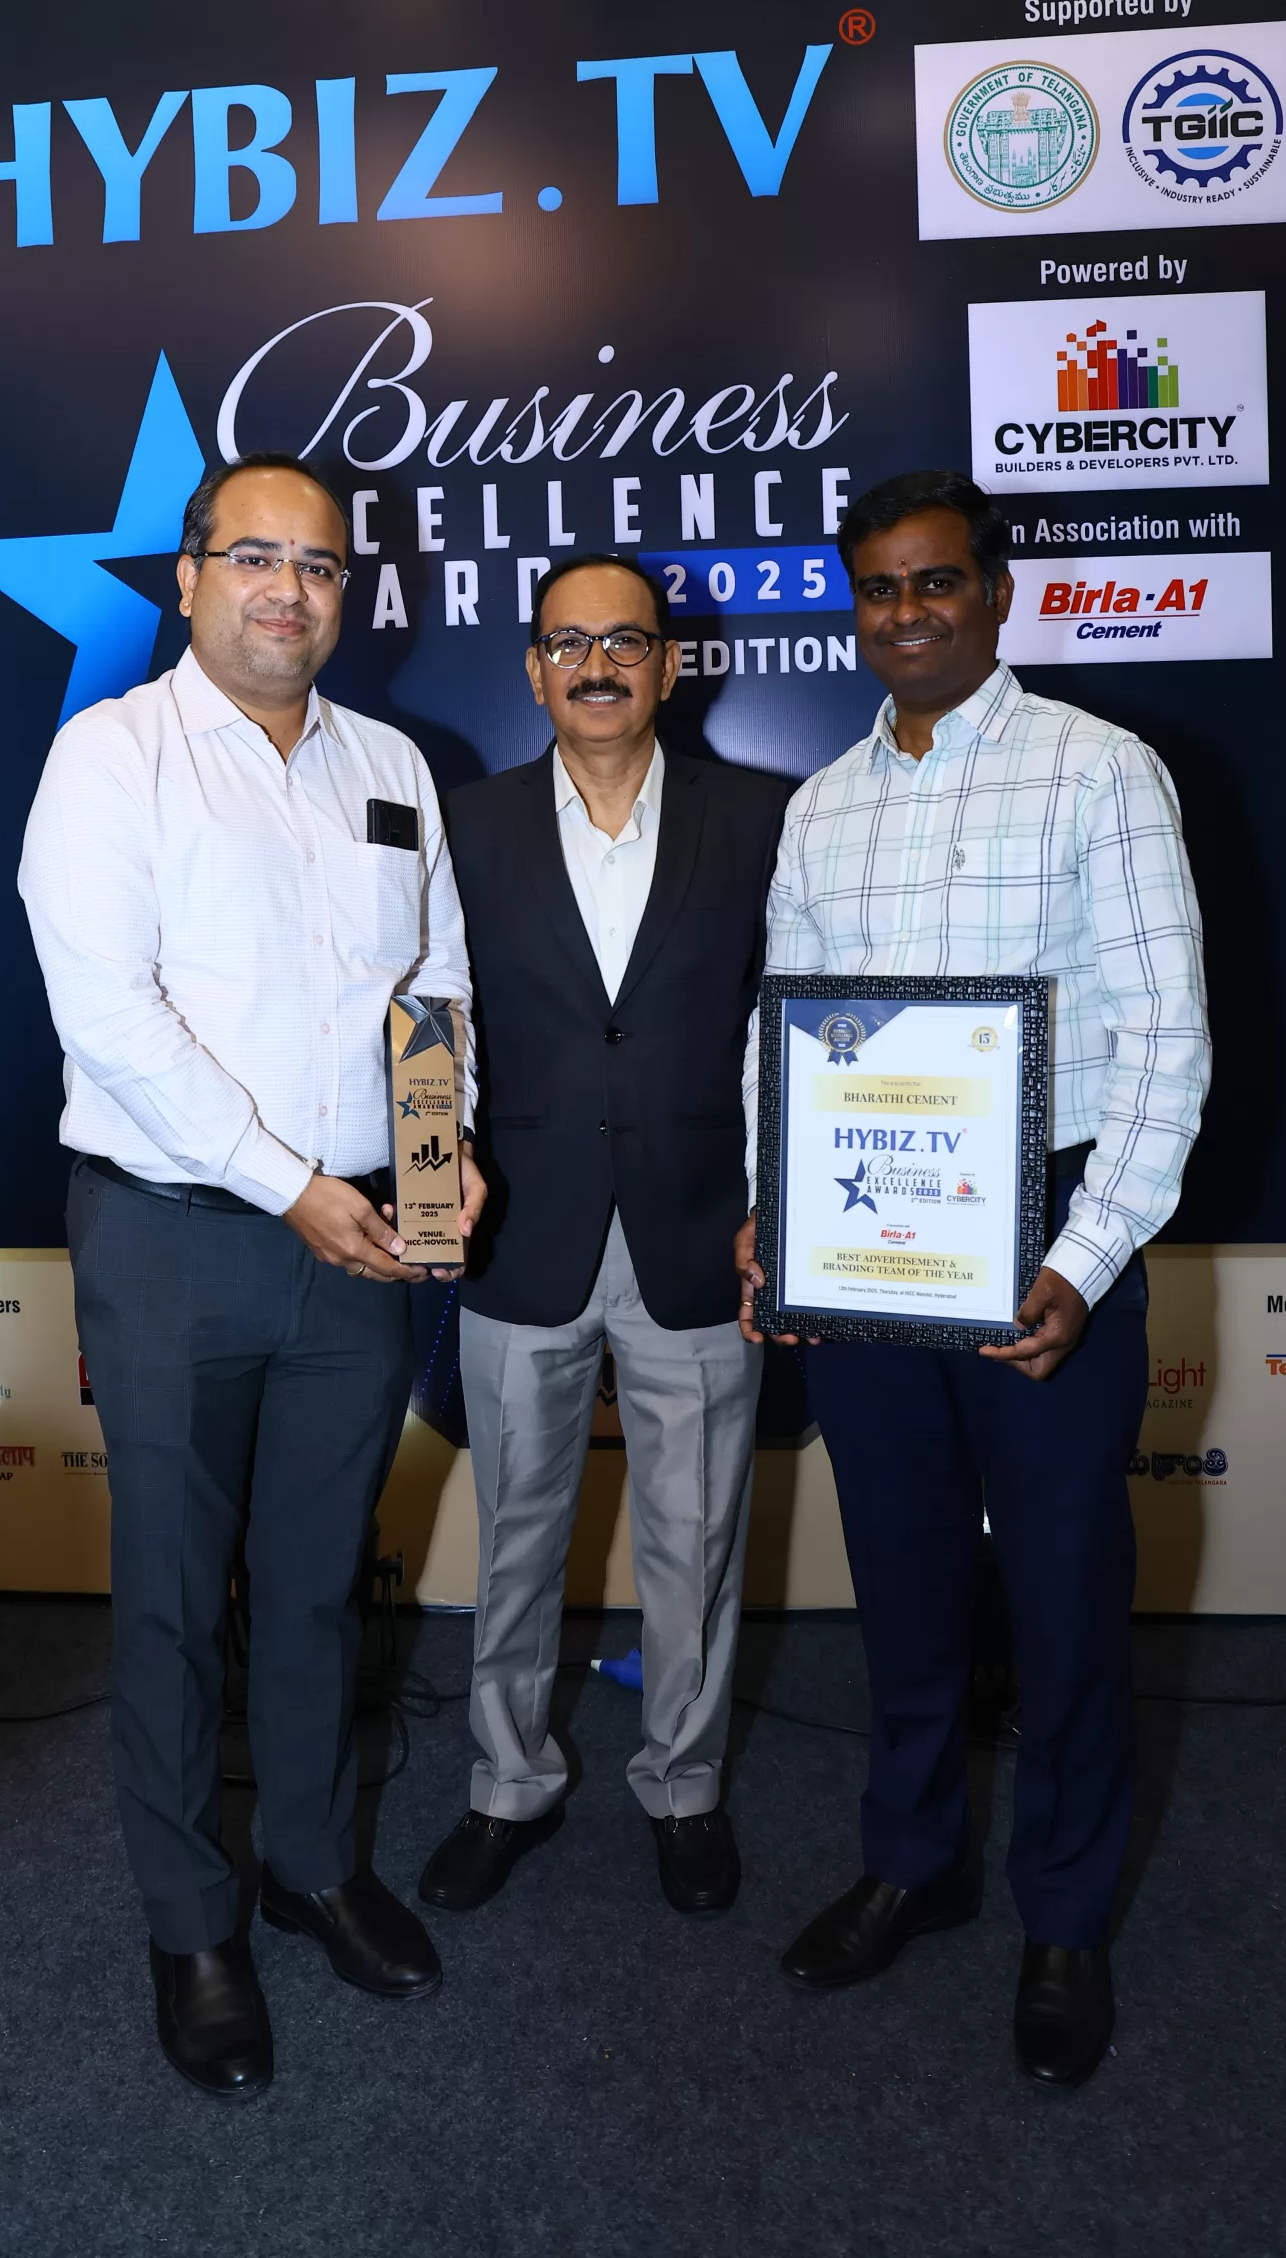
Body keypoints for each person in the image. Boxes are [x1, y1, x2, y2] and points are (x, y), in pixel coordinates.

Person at [19, 454, 484, 2100]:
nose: (290, 590)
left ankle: (310, 1865)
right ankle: (191, 1922)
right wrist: (291, 1189)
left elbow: (433, 979)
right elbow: (109, 1017)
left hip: (362, 1237)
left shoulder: (392, 766)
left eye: (321, 565)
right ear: (189, 577)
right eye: (255, 558)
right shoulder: (111, 756)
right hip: (176, 1236)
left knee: (313, 1582)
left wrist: (436, 1149)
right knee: (170, 1597)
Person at [737, 471, 1208, 2087]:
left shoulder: (1099, 769)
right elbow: (783, 1030)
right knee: (905, 1573)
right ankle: (914, 1861)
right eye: (877, 587)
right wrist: (775, 1208)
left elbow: (1163, 1039)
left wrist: (1084, 1254)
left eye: (935, 581)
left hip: (1041, 1234)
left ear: (995, 594)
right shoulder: (821, 806)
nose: (906, 613)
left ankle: (1062, 1916)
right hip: (870, 1234)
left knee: (1064, 1595)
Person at [418, 554, 788, 1919]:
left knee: (697, 1540)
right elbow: (429, 1008)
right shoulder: (463, 825)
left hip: (705, 1233)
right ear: (532, 670)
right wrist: (431, 1178)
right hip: (519, 1232)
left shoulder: (764, 818)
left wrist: (781, 1201)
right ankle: (505, 1783)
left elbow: (789, 1022)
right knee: (515, 1535)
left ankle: (683, 1786)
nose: (596, 666)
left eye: (624, 642)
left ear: (669, 664)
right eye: (567, 643)